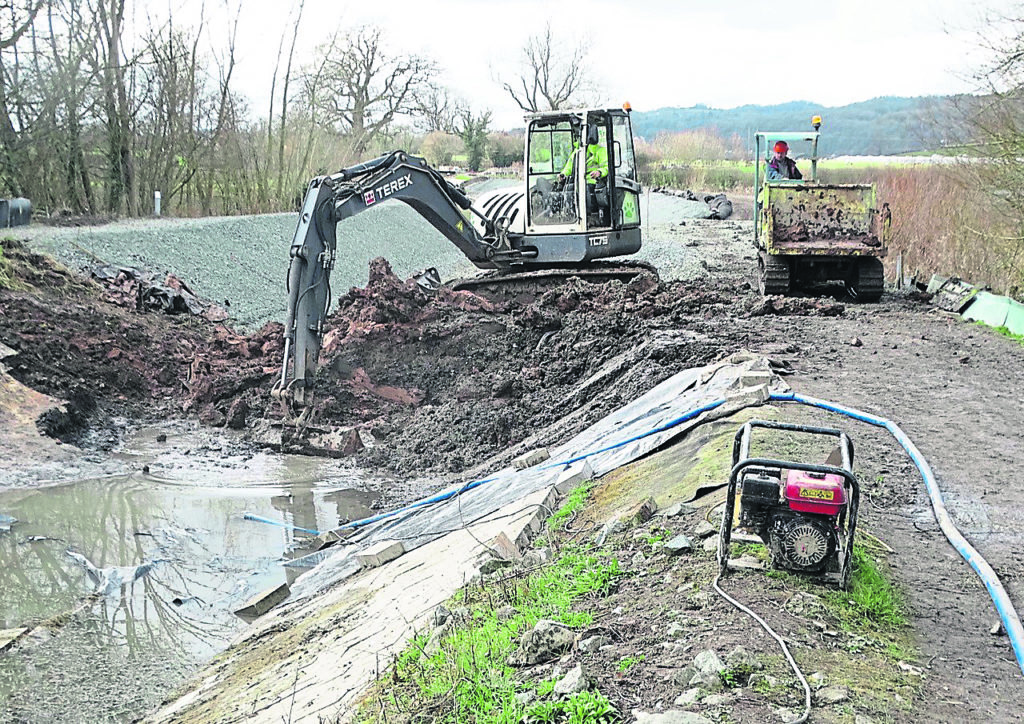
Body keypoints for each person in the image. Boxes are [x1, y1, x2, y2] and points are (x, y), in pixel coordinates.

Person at [559, 125, 609, 222]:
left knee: (584, 189)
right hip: (578, 181)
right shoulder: (576, 152)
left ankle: (587, 217)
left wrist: (599, 172)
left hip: (593, 181)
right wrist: (563, 174)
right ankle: (569, 216)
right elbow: (569, 167)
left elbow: (606, 167)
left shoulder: (600, 151)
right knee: (567, 189)